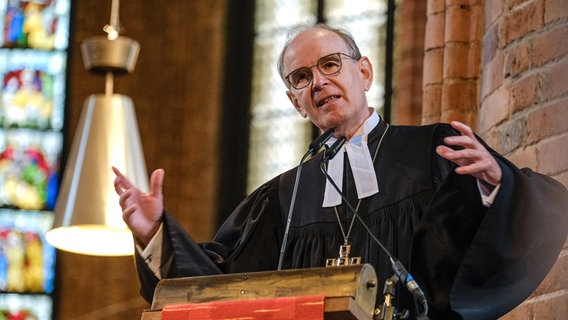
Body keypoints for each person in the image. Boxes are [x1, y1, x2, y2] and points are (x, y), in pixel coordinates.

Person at [113, 23, 568, 319]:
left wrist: (495, 185)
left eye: (331, 64)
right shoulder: (281, 200)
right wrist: (155, 233)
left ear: (364, 73)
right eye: (301, 77)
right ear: (295, 102)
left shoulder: (435, 150)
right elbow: (220, 290)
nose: (319, 82)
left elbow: (493, 246)